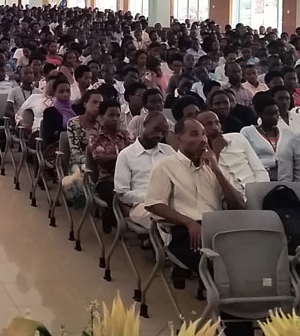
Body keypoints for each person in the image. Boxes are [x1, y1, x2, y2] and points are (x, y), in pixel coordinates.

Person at [145, 118, 245, 289]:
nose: (203, 139)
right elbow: (154, 204)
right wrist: (188, 221)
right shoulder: (165, 166)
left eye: (204, 134)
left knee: (251, 258)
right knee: (221, 266)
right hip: (185, 232)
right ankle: (230, 310)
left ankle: (249, 305)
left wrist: (217, 171)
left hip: (218, 230)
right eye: (194, 134)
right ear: (178, 138)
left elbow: (238, 206)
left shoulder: (212, 168)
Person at [113, 112, 175, 229]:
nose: (159, 135)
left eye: (163, 132)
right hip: (142, 206)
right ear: (145, 124)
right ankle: (168, 245)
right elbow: (122, 194)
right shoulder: (126, 155)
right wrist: (151, 197)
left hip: (171, 202)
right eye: (156, 129)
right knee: (168, 220)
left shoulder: (169, 151)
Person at [87, 99, 134, 232]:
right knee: (113, 191)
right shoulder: (95, 137)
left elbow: (134, 155)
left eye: (118, 115)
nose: (115, 119)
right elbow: (99, 158)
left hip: (129, 176)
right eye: (111, 115)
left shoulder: (125, 135)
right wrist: (122, 157)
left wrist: (116, 159)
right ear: (101, 117)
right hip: (106, 179)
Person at [196, 110, 268, 195]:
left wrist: (256, 194)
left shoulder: (237, 138)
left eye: (217, 122)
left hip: (257, 193)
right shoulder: (199, 154)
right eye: (209, 124)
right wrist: (216, 152)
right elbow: (210, 184)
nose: (215, 127)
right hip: (231, 200)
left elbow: (260, 171)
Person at [240, 94, 287, 178]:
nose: (275, 117)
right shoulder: (247, 132)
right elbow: (245, 159)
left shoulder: (284, 132)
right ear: (259, 114)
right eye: (269, 114)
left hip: (284, 174)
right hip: (260, 174)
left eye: (276, 112)